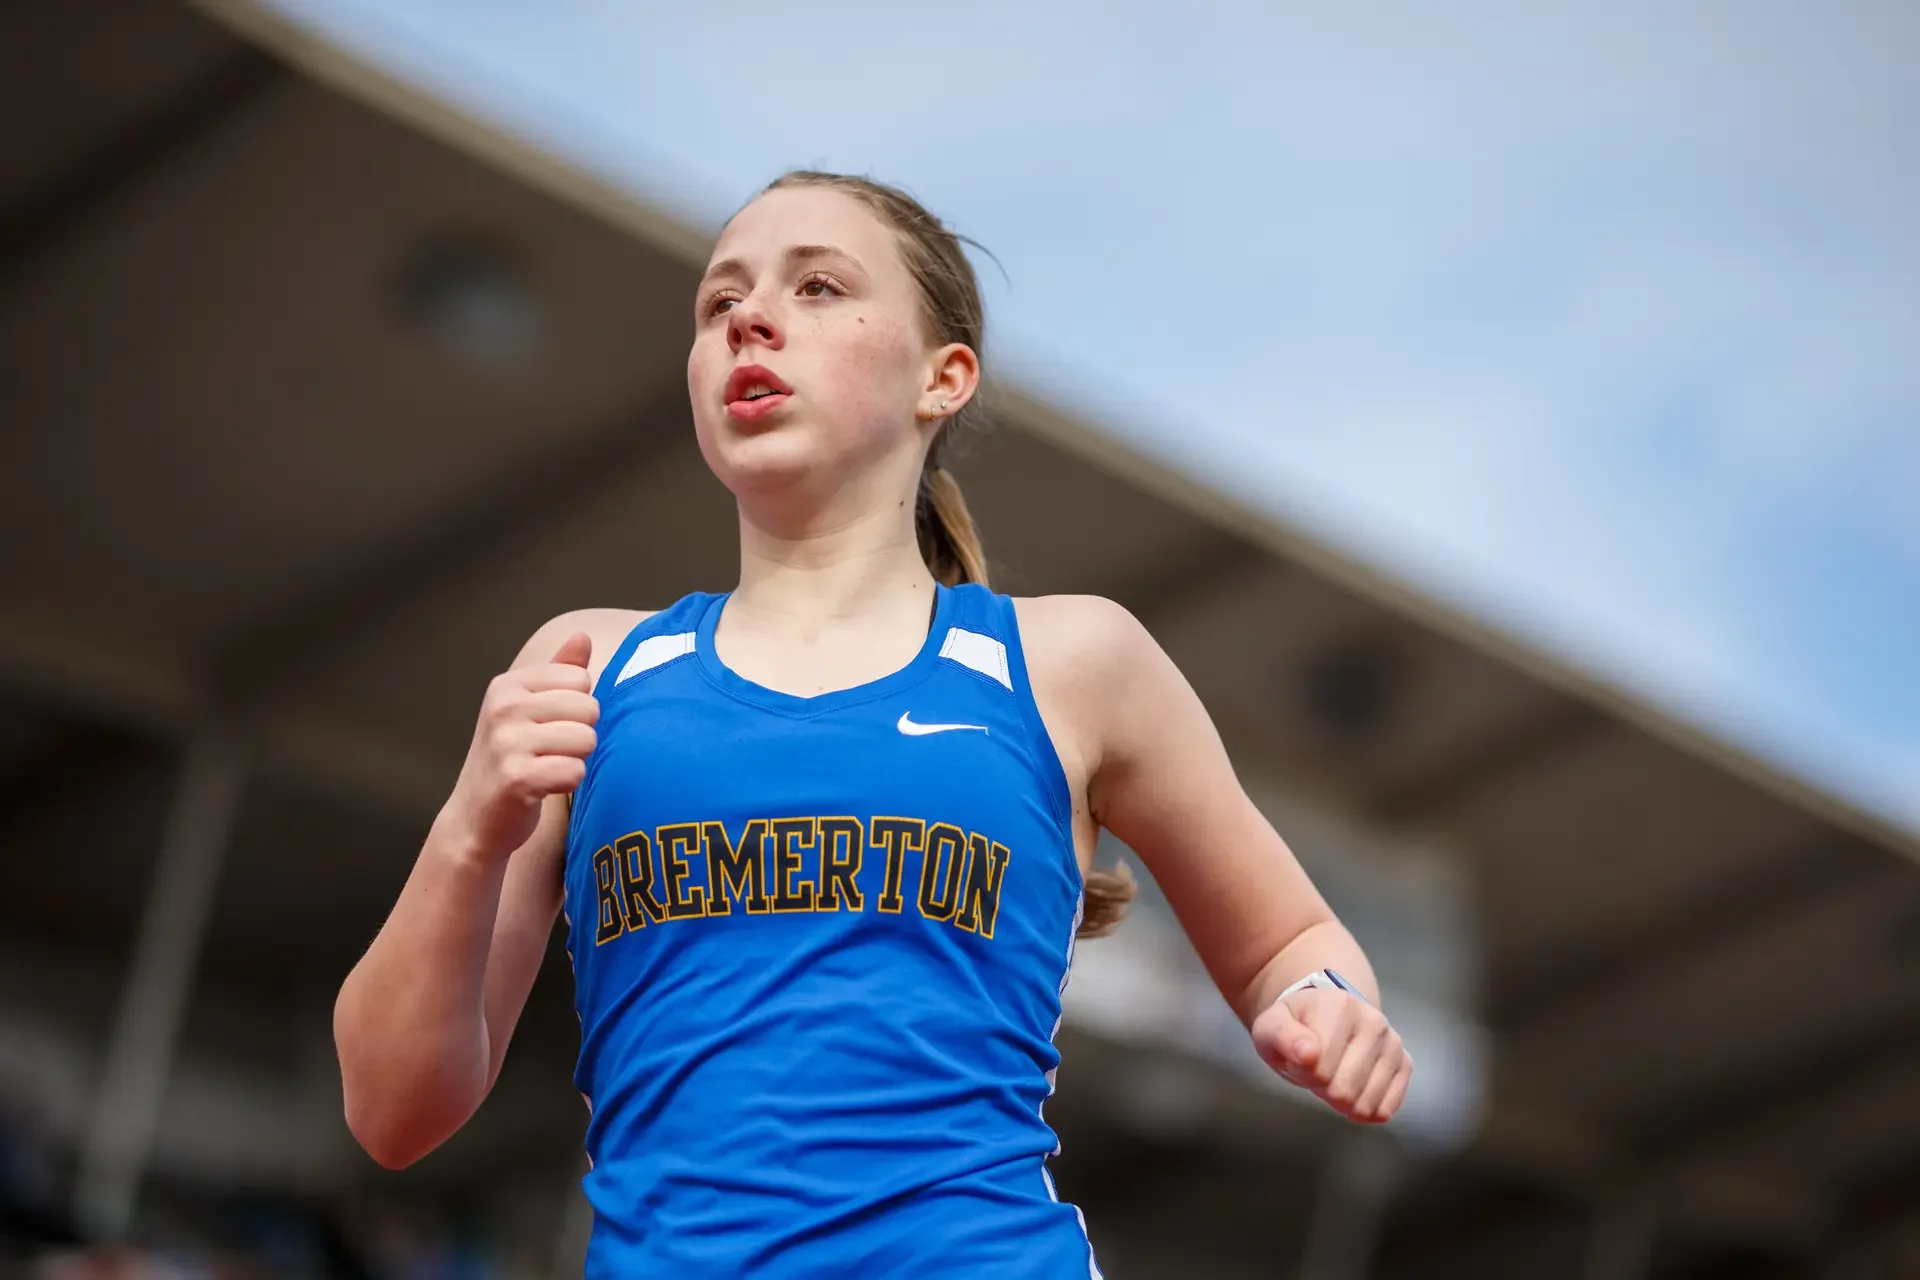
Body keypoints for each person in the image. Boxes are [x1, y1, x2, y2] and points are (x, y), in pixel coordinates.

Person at [334, 170, 1413, 1277]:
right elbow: (391, 1111)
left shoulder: (1070, 661)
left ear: (942, 377)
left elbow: (1290, 944)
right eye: (719, 304)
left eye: (817, 288)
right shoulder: (590, 667)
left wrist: (1326, 1006)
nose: (751, 318)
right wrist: (471, 825)